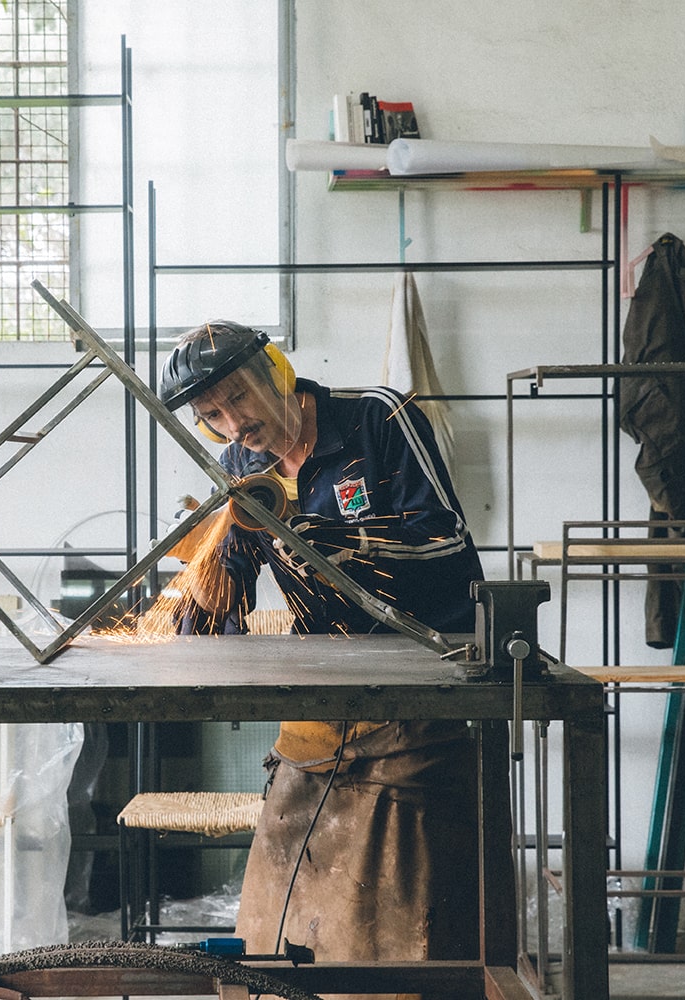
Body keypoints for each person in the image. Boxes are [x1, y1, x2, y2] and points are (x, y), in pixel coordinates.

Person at [157, 320, 492, 967]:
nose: (234, 423)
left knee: (399, 925)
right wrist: (200, 590)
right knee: (281, 908)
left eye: (239, 398)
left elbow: (444, 547)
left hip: (423, 688)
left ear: (276, 373)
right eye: (213, 415)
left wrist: (309, 533)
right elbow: (230, 586)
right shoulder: (241, 466)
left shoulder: (379, 421)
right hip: (329, 694)